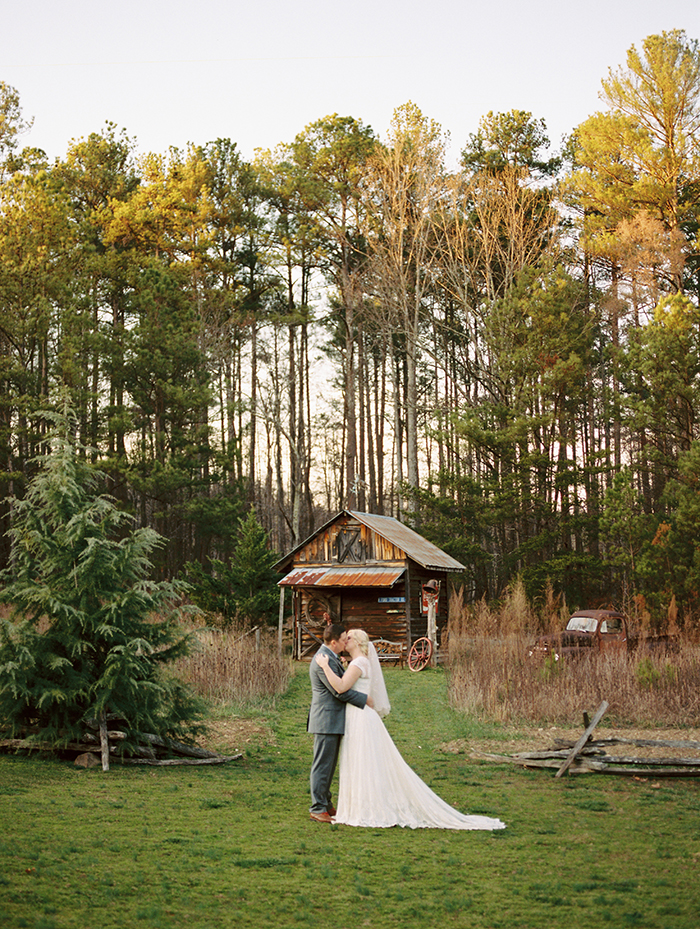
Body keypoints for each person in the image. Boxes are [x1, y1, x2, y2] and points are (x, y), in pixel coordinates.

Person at [315, 628, 506, 830]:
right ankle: (361, 805)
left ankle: (365, 808)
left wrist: (325, 666)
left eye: (350, 637)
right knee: (361, 761)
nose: (345, 639)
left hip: (360, 718)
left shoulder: (360, 662)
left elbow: (342, 687)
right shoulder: (358, 662)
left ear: (359, 642)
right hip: (357, 716)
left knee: (363, 760)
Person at [307, 622, 370, 824]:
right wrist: (365, 700)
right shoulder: (321, 660)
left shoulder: (331, 657)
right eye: (343, 639)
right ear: (333, 642)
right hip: (326, 719)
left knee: (329, 765)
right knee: (322, 765)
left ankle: (326, 804)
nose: (346, 642)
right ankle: (317, 808)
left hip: (332, 719)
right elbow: (337, 691)